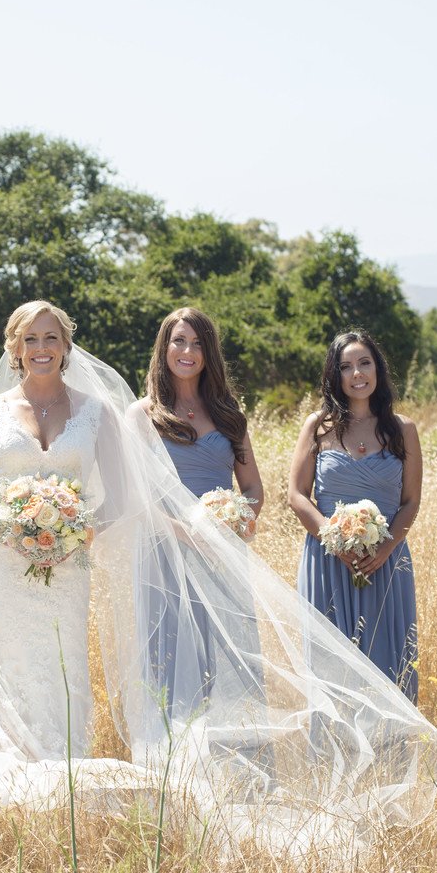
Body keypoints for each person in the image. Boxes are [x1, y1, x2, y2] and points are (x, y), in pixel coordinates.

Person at [0, 300, 437, 855]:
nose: (42, 349)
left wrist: (74, 532)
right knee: (9, 662)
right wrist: (12, 530)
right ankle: (12, 756)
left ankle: (85, 762)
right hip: (8, 562)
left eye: (52, 338)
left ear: (67, 346)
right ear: (14, 348)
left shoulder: (98, 411)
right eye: (30, 339)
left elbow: (121, 500)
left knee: (73, 659)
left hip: (69, 563)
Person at [131, 307, 263, 719]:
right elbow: (135, 498)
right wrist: (190, 534)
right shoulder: (142, 416)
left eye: (198, 343)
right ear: (164, 348)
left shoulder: (228, 415)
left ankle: (234, 757)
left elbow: (254, 488)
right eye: (179, 341)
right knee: (171, 652)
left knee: (230, 655)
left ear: (209, 354)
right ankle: (177, 759)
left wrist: (235, 521)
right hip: (166, 552)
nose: (187, 351)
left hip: (223, 555)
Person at [288, 329, 421, 698]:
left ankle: (390, 754)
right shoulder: (319, 426)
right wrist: (335, 540)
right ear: (335, 375)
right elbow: (297, 495)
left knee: (388, 667)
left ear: (377, 369)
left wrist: (385, 549)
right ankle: (334, 755)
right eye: (346, 366)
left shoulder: (403, 430)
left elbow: (410, 501)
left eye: (365, 363)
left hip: (386, 563)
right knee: (330, 674)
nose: (357, 373)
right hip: (328, 560)